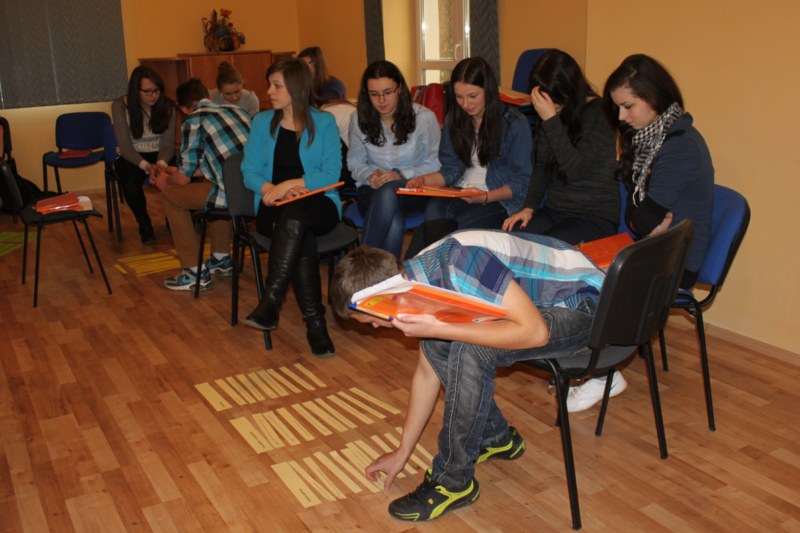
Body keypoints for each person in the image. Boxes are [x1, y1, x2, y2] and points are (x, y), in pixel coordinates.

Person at [329, 230, 605, 522]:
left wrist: (440, 329)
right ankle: (496, 437)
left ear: (382, 298)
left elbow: (535, 333)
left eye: (370, 319)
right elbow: (426, 374)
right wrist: (402, 452)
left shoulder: (459, 262)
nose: (374, 327)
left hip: (589, 305)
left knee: (470, 348)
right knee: (439, 343)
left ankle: (453, 481)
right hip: (544, 306)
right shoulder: (416, 279)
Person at [566, 53, 715, 413]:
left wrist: (644, 220)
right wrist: (643, 219)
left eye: (628, 106)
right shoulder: (650, 139)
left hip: (676, 260)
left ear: (654, 97)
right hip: (652, 246)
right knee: (571, 263)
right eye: (618, 107)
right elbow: (638, 218)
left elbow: (642, 220)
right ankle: (587, 361)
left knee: (592, 280)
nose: (621, 117)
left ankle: (602, 373)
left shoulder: (680, 146)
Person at [241, 58, 342, 357]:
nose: (269, 91)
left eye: (277, 86)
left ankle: (271, 301)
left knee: (298, 215)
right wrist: (269, 189)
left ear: (296, 87)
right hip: (273, 206)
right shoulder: (262, 122)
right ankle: (315, 324)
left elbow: (331, 174)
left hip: (319, 203)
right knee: (298, 227)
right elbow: (249, 171)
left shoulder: (324, 122)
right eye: (270, 85)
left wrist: (291, 184)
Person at [502, 49, 619, 244]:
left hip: (594, 215)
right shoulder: (551, 117)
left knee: (545, 248)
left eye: (555, 99)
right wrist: (529, 207)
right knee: (513, 241)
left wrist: (550, 120)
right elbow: (541, 166)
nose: (552, 105)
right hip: (555, 210)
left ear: (569, 90)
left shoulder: (599, 113)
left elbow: (575, 170)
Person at [407, 57, 532, 239]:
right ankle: (431, 257)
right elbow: (451, 170)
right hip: (460, 191)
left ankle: (427, 257)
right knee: (433, 217)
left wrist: (486, 196)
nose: (465, 104)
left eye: (472, 96)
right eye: (459, 97)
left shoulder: (514, 123)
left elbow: (522, 182)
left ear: (488, 90)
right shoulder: (454, 119)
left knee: (453, 233)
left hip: (496, 198)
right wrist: (424, 180)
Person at [150, 78, 251, 291]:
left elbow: (183, 180)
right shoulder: (237, 111)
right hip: (256, 192)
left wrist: (166, 180)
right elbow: (222, 163)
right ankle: (221, 259)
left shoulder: (193, 120)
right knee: (216, 186)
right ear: (208, 95)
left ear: (183, 108)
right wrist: (175, 171)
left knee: (170, 196)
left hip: (231, 194)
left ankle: (193, 272)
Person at [348, 60, 441, 257]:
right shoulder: (358, 119)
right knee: (394, 218)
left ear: (399, 89)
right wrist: (369, 175)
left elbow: (436, 163)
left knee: (389, 195)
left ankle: (362, 266)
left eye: (387, 92)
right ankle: (380, 272)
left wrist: (400, 175)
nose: (381, 100)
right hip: (371, 190)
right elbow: (355, 161)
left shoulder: (424, 118)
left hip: (414, 190)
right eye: (374, 94)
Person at [111, 66, 176, 244]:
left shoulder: (168, 106)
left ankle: (175, 220)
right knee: (130, 182)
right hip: (133, 156)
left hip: (161, 154)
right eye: (147, 91)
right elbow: (125, 146)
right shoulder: (120, 106)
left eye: (157, 90)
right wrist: (147, 166)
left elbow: (168, 144)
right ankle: (144, 224)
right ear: (135, 90)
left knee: (182, 174)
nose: (153, 96)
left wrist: (161, 164)